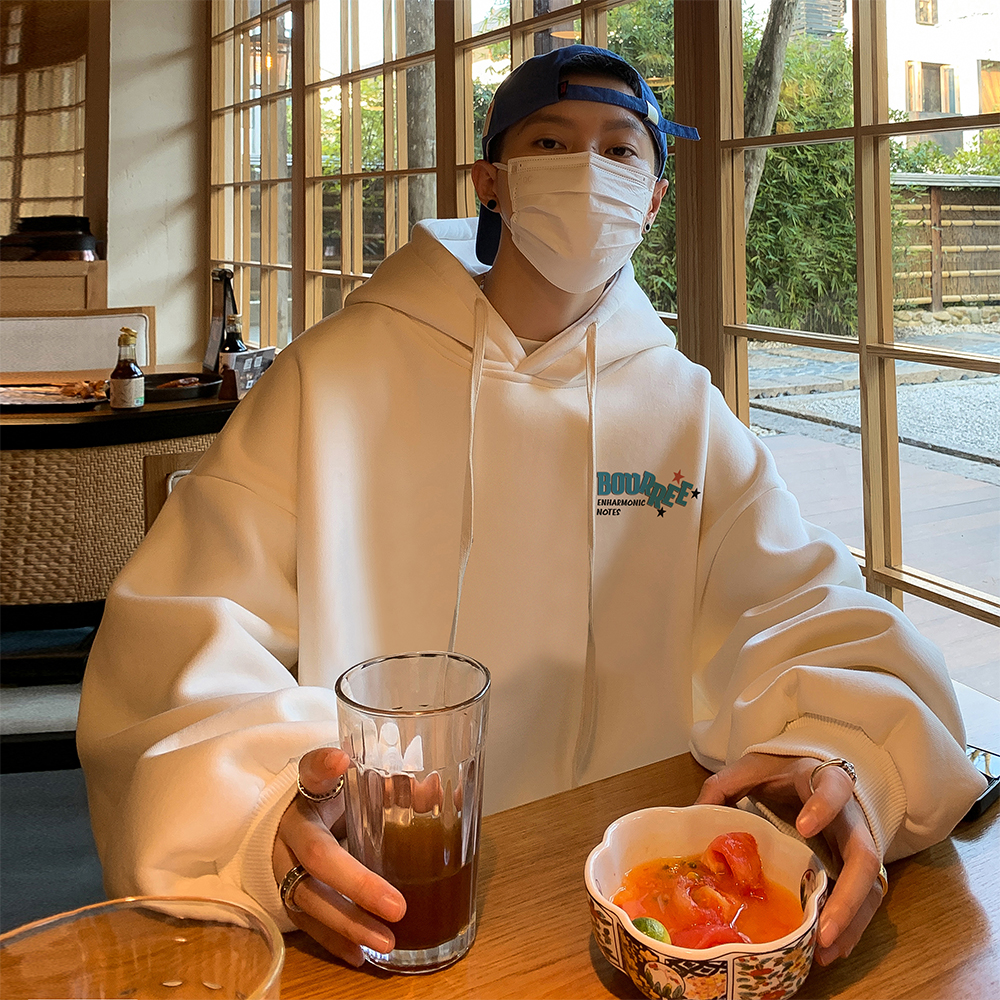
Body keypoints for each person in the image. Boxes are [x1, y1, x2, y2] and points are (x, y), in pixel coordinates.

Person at [77, 45, 984, 971]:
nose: (588, 170)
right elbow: (185, 635)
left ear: (654, 200)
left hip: (636, 905)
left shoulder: (682, 410)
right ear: (491, 181)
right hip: (381, 895)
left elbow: (801, 607)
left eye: (620, 149)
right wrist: (265, 805)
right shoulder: (332, 378)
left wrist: (843, 750)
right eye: (551, 142)